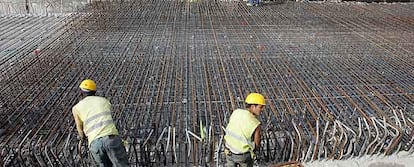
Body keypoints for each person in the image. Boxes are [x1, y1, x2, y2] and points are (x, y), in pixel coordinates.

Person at [72, 79, 129, 167]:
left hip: (95, 143)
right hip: (111, 138)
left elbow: (80, 128)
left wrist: (82, 137)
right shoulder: (104, 101)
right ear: (95, 91)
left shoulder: (76, 108)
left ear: (81, 93)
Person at [224, 93, 265, 167]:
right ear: (253, 106)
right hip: (242, 156)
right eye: (260, 107)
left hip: (228, 150)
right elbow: (257, 145)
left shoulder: (236, 112)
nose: (262, 109)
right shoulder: (256, 123)